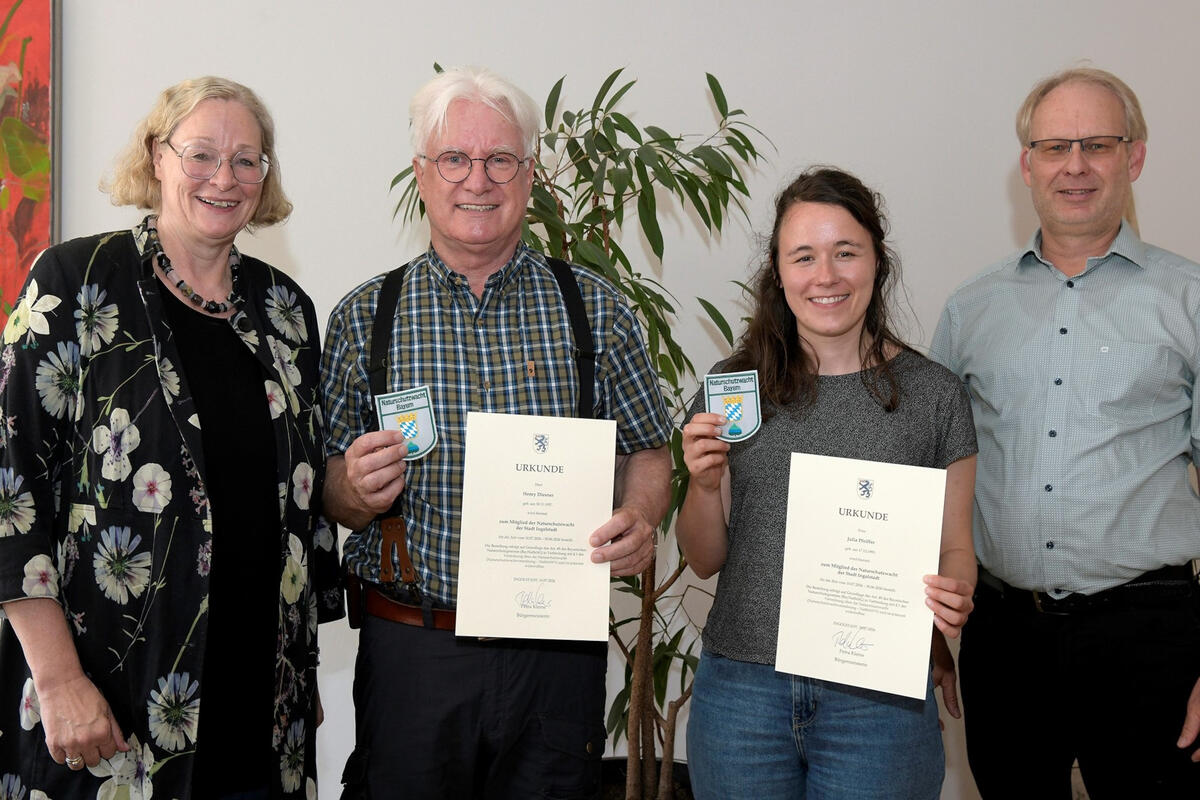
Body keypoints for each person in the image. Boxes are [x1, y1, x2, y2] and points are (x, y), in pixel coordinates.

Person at [319, 65, 673, 799]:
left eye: (499, 160)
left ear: (530, 175)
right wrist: (351, 487)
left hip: (556, 657)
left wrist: (640, 516)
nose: (477, 180)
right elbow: (329, 491)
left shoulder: (596, 311)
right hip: (414, 646)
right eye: (455, 159)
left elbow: (647, 448)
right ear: (422, 174)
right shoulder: (364, 319)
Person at [0, 76, 343, 800]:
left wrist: (298, 667)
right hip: (111, 707)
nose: (225, 177)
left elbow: (298, 508)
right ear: (157, 157)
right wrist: (57, 679)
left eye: (248, 159)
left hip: (259, 715)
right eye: (202, 154)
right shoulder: (77, 281)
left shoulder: (286, 312)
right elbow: (10, 485)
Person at [930, 66, 1200, 798]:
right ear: (1027, 166)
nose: (1074, 165)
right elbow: (931, 480)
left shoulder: (1189, 301)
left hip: (1153, 638)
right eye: (1054, 147)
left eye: (1097, 144)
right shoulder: (969, 310)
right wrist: (921, 630)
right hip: (1005, 638)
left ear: (1135, 157)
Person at [678, 167, 978, 799]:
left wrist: (955, 596)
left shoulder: (934, 395)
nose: (826, 276)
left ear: (877, 260)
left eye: (846, 252)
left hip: (880, 702)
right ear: (778, 272)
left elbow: (956, 547)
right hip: (742, 697)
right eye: (804, 256)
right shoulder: (734, 389)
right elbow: (703, 561)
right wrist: (703, 487)